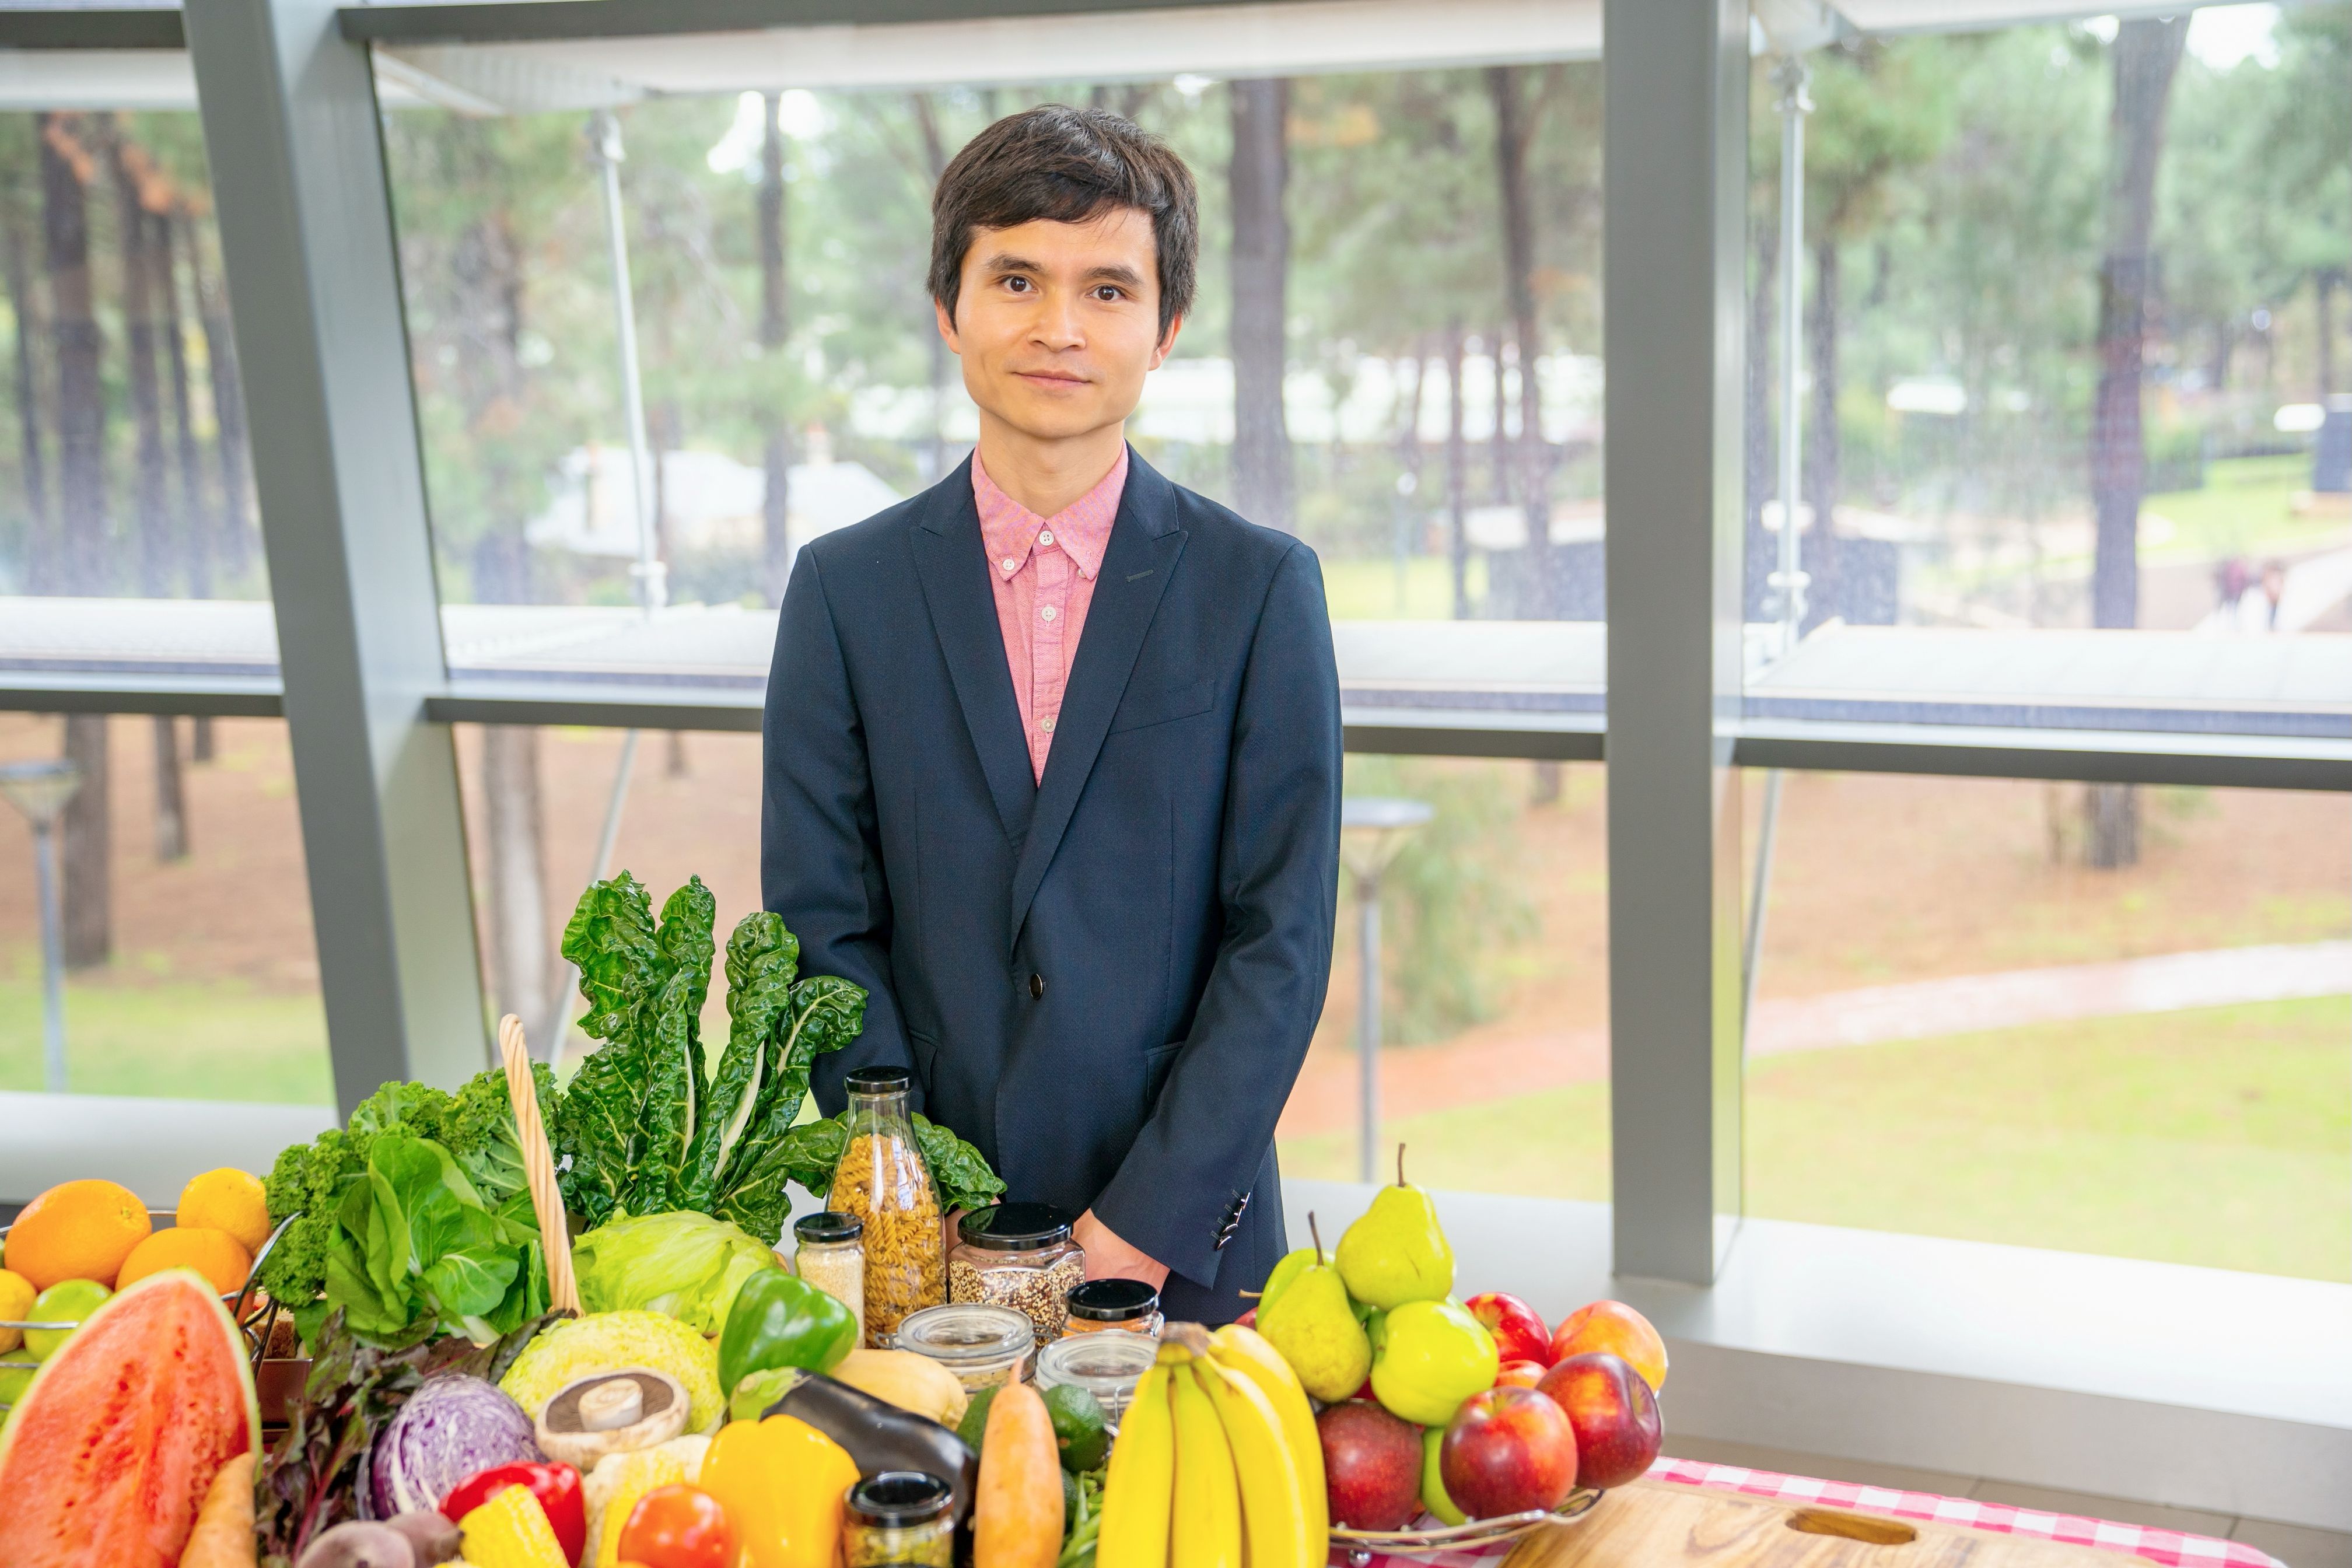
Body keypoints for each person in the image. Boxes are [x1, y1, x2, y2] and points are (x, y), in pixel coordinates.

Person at [761, 104, 1343, 1322]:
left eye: (1109, 291)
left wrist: (1142, 1227)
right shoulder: (841, 591)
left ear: (1167, 327)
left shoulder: (1261, 589)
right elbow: (821, 922)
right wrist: (911, 1197)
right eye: (1016, 278)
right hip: (922, 1260)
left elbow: (1278, 942)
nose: (1059, 329)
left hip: (1188, 1252)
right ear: (949, 306)